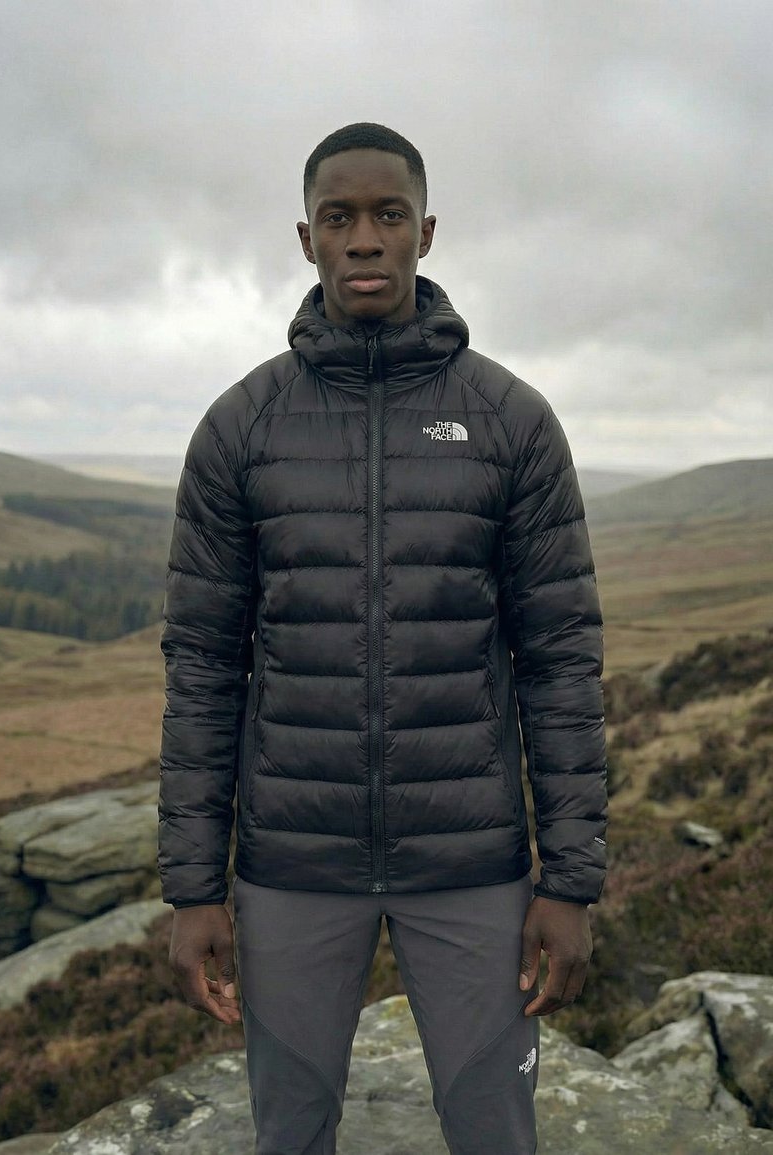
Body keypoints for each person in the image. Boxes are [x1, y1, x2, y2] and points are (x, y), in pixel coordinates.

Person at [158, 122, 608, 1155]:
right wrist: (192, 889)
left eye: (388, 215)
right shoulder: (240, 429)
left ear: (426, 232)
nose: (364, 238)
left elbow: (560, 662)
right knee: (291, 1131)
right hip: (290, 865)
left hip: (472, 862)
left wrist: (570, 880)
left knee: (494, 1130)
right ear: (305, 239)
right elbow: (203, 668)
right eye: (339, 217)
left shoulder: (511, 422)